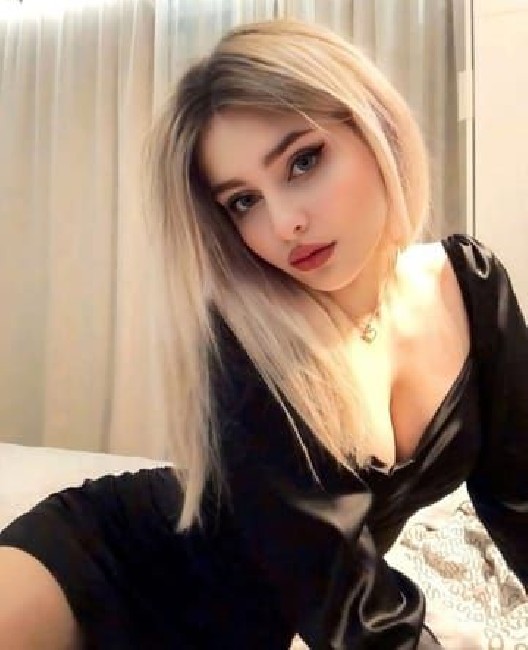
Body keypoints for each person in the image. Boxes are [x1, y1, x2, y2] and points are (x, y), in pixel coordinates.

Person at [0, 17, 526, 650]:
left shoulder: (469, 285)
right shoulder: (247, 343)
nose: (283, 223)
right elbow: (355, 620)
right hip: (112, 562)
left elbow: (519, 496)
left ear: (377, 127)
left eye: (303, 162)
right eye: (243, 201)